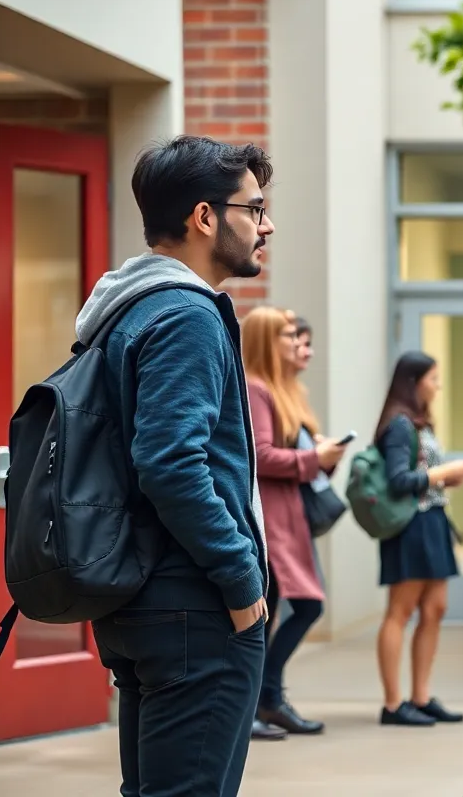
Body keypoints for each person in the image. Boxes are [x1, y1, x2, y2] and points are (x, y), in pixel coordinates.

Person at [75, 135, 275, 796]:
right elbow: (169, 461)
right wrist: (242, 581)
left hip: (142, 598)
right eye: (256, 207)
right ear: (205, 217)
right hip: (195, 605)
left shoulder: (124, 309)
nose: (266, 224)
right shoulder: (186, 315)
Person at [242, 307, 346, 740]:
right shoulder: (256, 389)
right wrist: (312, 458)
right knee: (286, 610)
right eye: (288, 335)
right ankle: (258, 704)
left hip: (289, 515)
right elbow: (261, 455)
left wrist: (322, 457)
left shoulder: (286, 391)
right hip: (271, 518)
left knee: (295, 607)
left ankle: (267, 700)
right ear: (267, 341)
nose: (298, 342)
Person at [373, 350, 463, 726]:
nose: (438, 385)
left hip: (432, 519)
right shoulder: (399, 425)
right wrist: (442, 473)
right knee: (400, 611)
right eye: (433, 378)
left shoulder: (419, 423)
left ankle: (421, 696)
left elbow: (422, 474)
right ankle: (393, 703)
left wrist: (445, 477)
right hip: (410, 525)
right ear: (413, 383)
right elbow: (399, 481)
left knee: (435, 609)